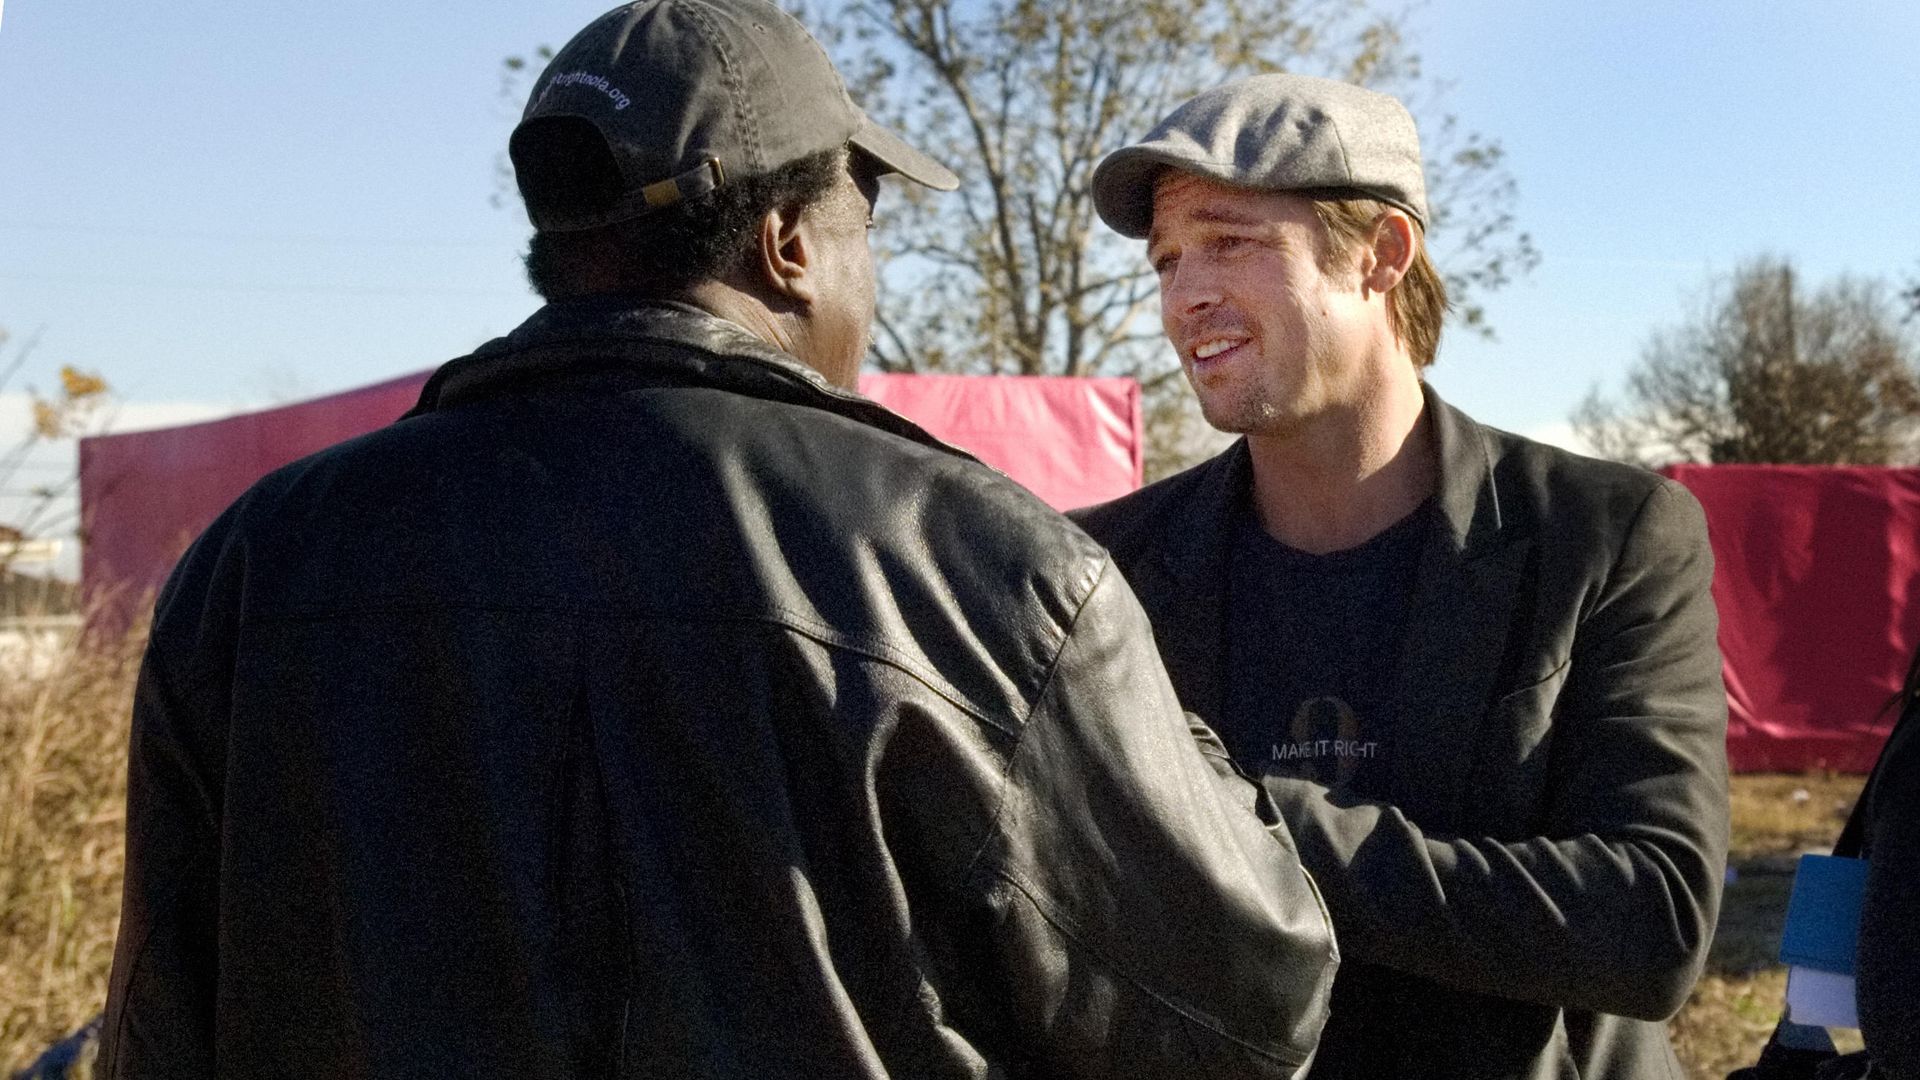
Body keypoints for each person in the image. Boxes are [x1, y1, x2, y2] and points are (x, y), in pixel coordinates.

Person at [97, 6, 1337, 1077]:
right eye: (864, 226)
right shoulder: (986, 566)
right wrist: (1178, 748)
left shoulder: (256, 563)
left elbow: (160, 1031)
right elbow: (1253, 1001)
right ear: (789, 245)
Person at [1072, 73, 1729, 1079]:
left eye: (1229, 242)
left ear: (1381, 254)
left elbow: (1652, 921)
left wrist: (1243, 825)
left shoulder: (1604, 535)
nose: (1184, 295)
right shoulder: (1103, 571)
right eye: (1166, 260)